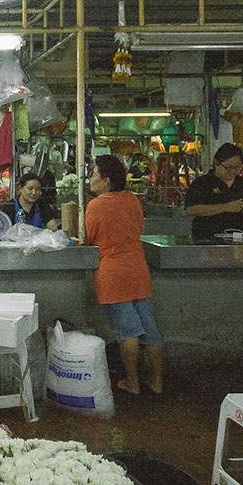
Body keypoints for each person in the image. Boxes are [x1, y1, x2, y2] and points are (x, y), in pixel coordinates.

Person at [85, 155, 163, 395]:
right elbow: (139, 228)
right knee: (149, 329)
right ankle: (157, 382)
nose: (90, 178)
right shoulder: (132, 200)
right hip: (138, 269)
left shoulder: (96, 205)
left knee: (128, 332)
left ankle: (133, 382)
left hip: (113, 273)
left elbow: (88, 238)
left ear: (106, 181)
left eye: (94, 174)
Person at [184, 143, 243, 242]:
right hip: (207, 239)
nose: (233, 171)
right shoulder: (202, 183)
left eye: (237, 168)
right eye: (228, 167)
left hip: (240, 239)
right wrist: (225, 207)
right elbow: (191, 209)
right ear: (216, 162)